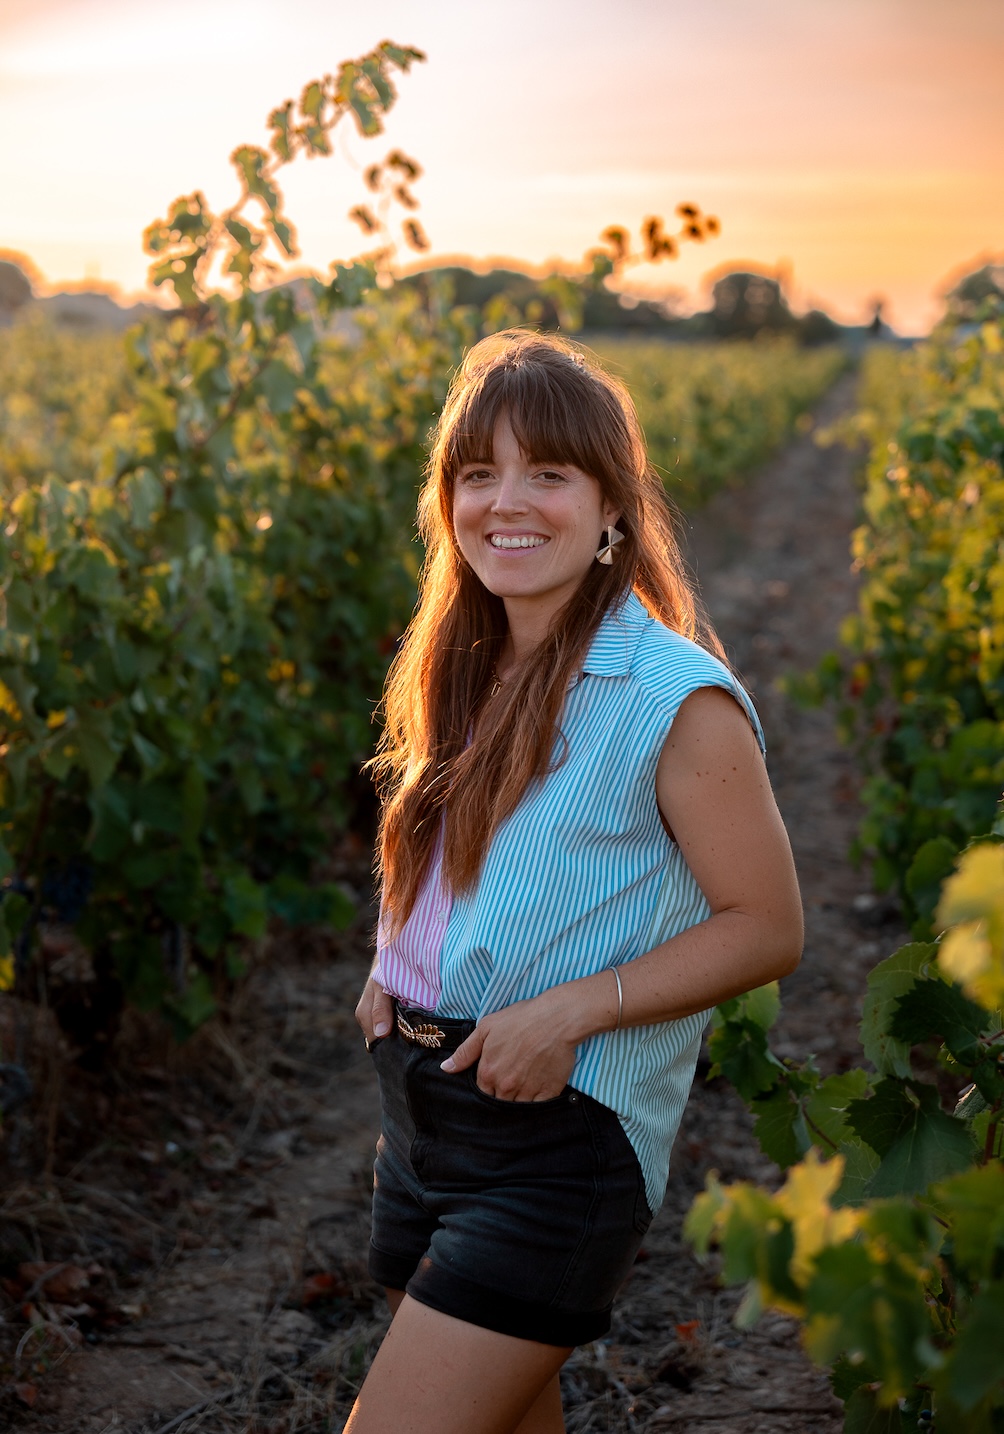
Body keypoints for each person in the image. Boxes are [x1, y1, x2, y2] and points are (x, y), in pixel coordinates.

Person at [349, 331, 802, 1434]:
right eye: (476, 473)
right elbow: (455, 853)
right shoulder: (463, 654)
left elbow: (766, 927)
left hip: (556, 1139)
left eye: (546, 472)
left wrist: (567, 1012)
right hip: (420, 1109)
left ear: (610, 510)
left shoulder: (672, 698)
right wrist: (389, 967)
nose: (505, 502)